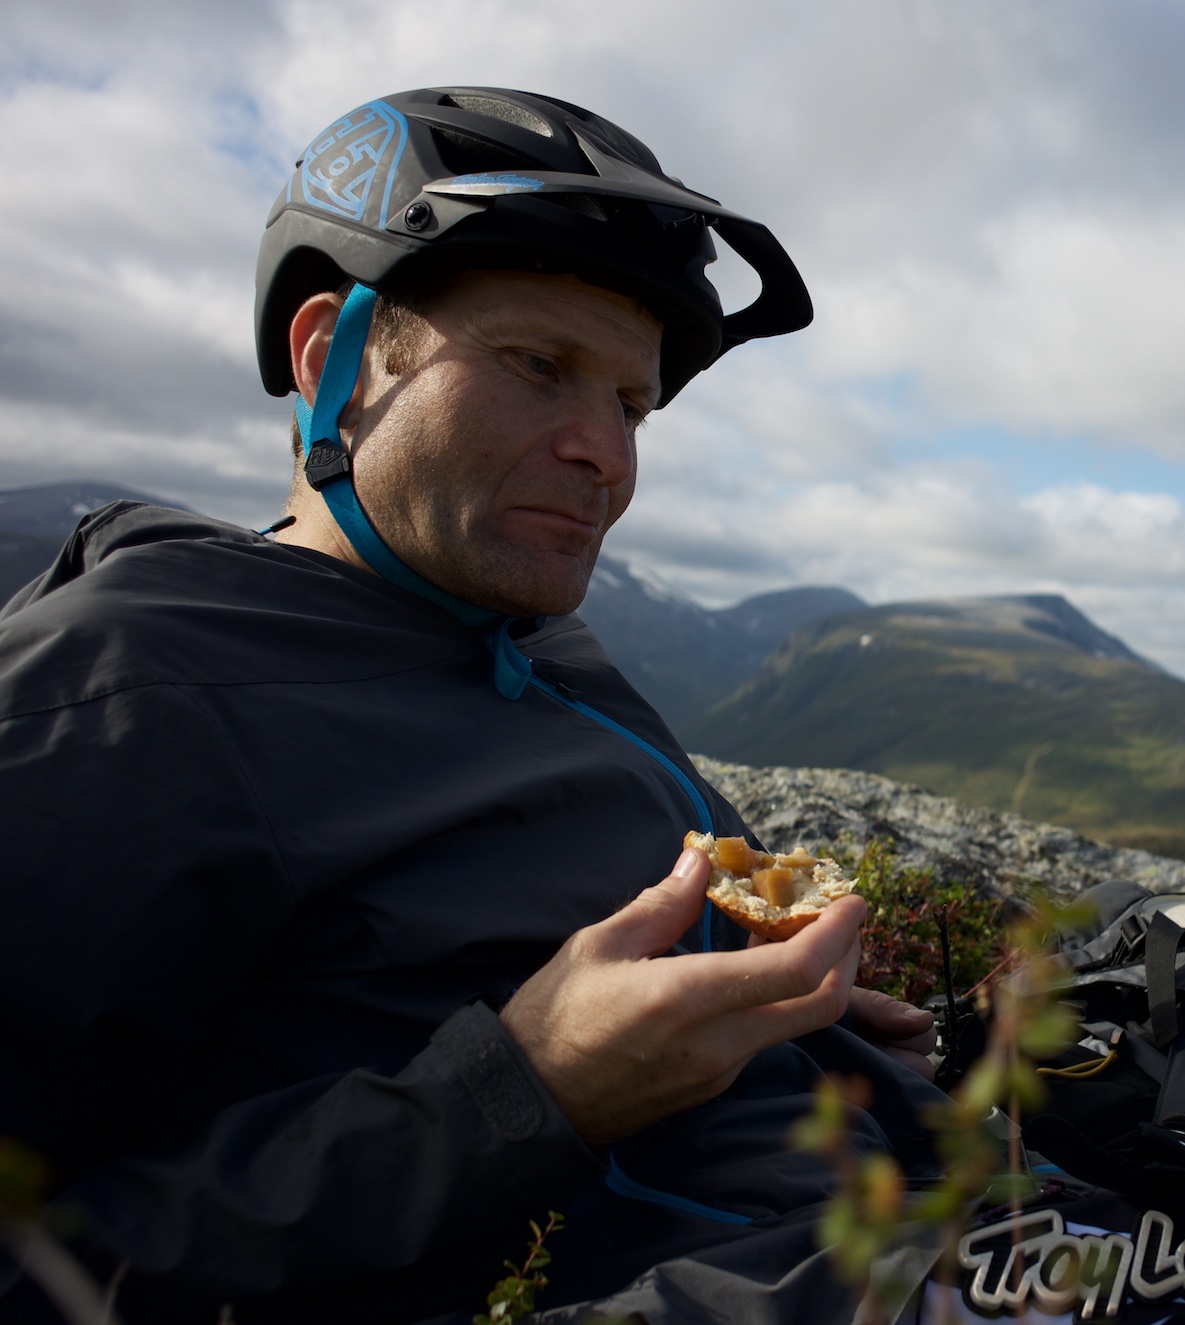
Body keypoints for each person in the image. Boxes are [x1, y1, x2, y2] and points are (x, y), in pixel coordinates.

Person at [0, 87, 940, 1323]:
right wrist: (528, 1083)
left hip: (898, 1220)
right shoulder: (117, 695)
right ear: (328, 353)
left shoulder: (537, 637)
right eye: (539, 366)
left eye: (630, 403)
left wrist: (776, 999)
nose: (605, 454)